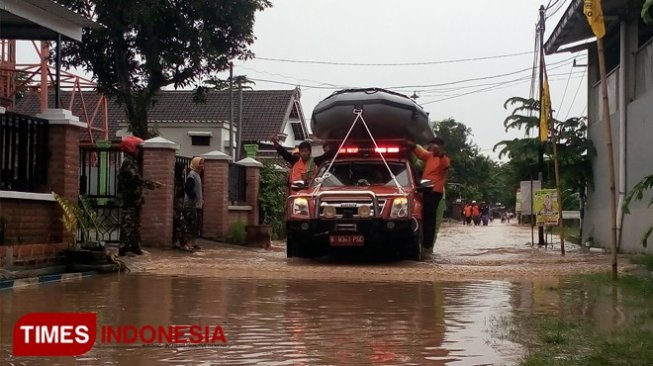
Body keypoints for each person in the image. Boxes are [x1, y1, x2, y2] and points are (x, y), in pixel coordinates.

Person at [117, 136, 162, 256]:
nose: (139, 151)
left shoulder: (134, 162)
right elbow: (134, 179)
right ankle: (124, 249)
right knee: (128, 224)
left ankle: (134, 247)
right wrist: (149, 184)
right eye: (138, 148)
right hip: (128, 200)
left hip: (135, 200)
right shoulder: (128, 162)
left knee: (136, 225)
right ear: (132, 148)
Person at [409, 137, 451, 260]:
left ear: (440, 147)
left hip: (435, 191)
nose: (432, 147)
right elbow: (421, 153)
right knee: (424, 216)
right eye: (432, 145)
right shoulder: (430, 156)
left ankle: (428, 245)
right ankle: (424, 242)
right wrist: (410, 144)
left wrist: (440, 153)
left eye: (434, 146)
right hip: (426, 189)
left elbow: (445, 164)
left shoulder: (444, 159)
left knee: (429, 218)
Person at [271, 136, 336, 186]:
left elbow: (328, 155)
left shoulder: (315, 161)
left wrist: (333, 142)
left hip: (310, 191)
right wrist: (275, 142)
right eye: (302, 151)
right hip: (295, 191)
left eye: (306, 151)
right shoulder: (294, 160)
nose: (304, 153)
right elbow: (284, 153)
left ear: (310, 152)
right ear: (299, 152)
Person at [181, 156, 205, 251]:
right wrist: (194, 198)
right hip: (190, 206)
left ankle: (193, 243)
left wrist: (200, 200)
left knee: (196, 225)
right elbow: (188, 189)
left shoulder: (197, 175)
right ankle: (188, 244)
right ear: (195, 164)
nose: (202, 166)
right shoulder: (192, 175)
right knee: (190, 225)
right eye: (200, 164)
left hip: (196, 205)